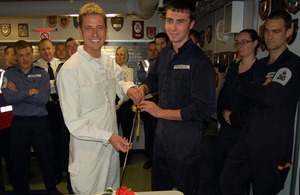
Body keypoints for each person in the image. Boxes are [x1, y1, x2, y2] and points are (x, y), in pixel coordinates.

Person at [134, 0, 216, 194]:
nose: (173, 27)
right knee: (159, 190)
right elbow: (152, 79)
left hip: (185, 144)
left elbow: (203, 110)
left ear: (191, 24)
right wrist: (143, 89)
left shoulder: (199, 62)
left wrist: (160, 112)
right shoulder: (164, 54)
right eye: (170, 20)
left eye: (180, 21)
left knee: (184, 190)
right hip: (162, 139)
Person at [56, 3, 138, 194]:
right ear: (80, 31)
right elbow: (74, 122)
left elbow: (119, 81)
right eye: (89, 28)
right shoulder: (70, 70)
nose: (95, 33)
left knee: (112, 191)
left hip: (110, 150)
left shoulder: (107, 62)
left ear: (106, 30)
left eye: (99, 27)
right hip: (88, 155)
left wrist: (131, 89)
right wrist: (108, 137)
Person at [219, 10, 300, 195]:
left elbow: (270, 97)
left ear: (289, 32)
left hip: (271, 146)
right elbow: (241, 90)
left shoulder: (292, 65)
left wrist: (257, 89)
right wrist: (259, 89)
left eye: (276, 31)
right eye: (267, 31)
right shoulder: (261, 65)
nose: (270, 36)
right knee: (228, 181)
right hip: (247, 139)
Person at [1, 40, 58, 194]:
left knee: (46, 160)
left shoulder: (42, 73)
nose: (25, 59)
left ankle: (51, 190)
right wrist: (30, 91)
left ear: (32, 54)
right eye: (21, 56)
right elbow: (8, 97)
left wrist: (18, 91)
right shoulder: (9, 73)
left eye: (27, 54)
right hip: (19, 123)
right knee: (19, 162)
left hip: (39, 122)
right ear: (16, 57)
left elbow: (43, 99)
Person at [216, 29, 259, 193]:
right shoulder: (233, 68)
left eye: (244, 42)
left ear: (255, 44)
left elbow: (254, 104)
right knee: (221, 171)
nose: (240, 46)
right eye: (238, 43)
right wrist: (225, 113)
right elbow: (224, 94)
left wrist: (234, 117)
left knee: (238, 178)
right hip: (227, 129)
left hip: (244, 131)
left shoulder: (259, 70)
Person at [33, 38, 64, 184]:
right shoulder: (35, 67)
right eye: (43, 49)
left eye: (49, 48)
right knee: (48, 143)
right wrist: (52, 83)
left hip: (62, 108)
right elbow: (37, 89)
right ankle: (53, 174)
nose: (46, 52)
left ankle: (62, 168)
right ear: (39, 51)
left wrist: (46, 85)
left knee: (62, 141)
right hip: (45, 108)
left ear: (54, 49)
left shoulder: (62, 64)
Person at [136, 41, 158, 169]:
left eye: (155, 49)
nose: (153, 52)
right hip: (146, 101)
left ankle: (157, 159)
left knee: (157, 133)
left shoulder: (163, 63)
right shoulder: (143, 63)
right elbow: (142, 77)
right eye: (151, 50)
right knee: (148, 132)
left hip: (158, 102)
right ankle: (149, 158)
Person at [0, 46, 17, 194]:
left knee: (12, 157)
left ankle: (15, 183)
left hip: (10, 123)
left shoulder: (5, 74)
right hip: (4, 124)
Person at [114, 46, 134, 165]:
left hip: (124, 105)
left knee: (127, 132)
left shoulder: (129, 70)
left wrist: (119, 104)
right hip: (114, 104)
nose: (119, 57)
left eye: (122, 54)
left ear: (125, 57)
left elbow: (128, 91)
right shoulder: (112, 70)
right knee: (114, 131)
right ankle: (115, 157)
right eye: (117, 54)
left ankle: (127, 157)